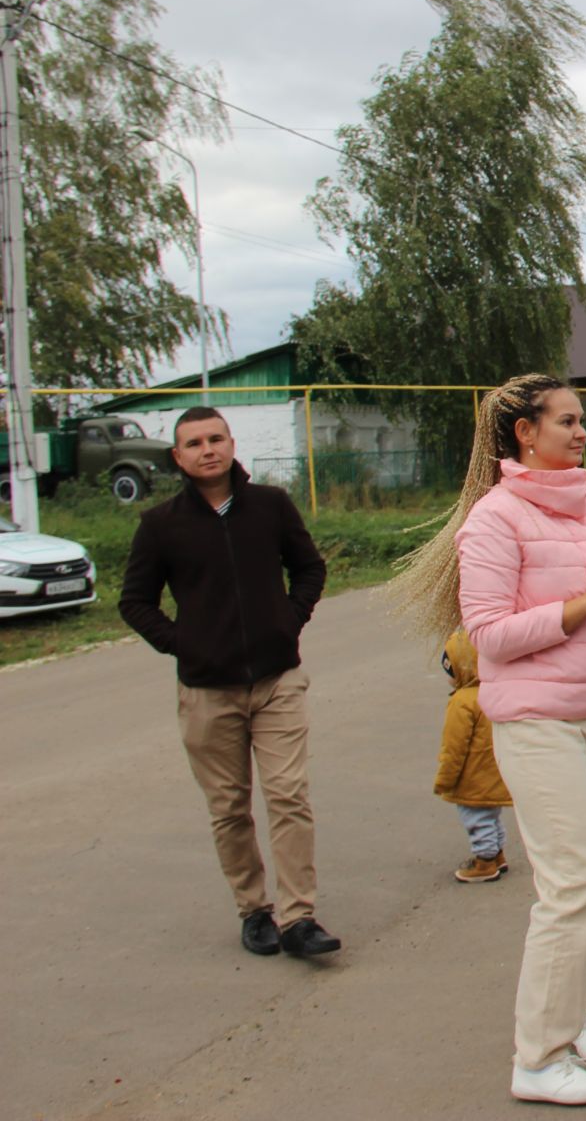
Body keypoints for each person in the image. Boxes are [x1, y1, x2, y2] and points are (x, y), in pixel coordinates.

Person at [388, 372, 586, 1107]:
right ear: (524, 433)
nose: (580, 431)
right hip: (536, 720)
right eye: (565, 420)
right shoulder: (494, 520)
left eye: (581, 419)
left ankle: (581, 1012)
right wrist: (580, 604)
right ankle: (539, 1058)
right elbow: (491, 637)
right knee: (575, 885)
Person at [118, 406, 339, 960]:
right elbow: (135, 602)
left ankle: (299, 917)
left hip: (276, 682)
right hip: (206, 691)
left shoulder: (270, 506)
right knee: (230, 808)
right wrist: (182, 643)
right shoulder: (160, 525)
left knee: (288, 796)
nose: (207, 449)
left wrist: (288, 621)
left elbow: (309, 568)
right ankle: (254, 909)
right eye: (193, 442)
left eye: (215, 438)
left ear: (231, 443)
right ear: (178, 456)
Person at [433, 628, 512, 885]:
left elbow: (453, 746)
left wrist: (445, 779)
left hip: (472, 777)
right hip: (495, 773)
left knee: (476, 818)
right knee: (492, 816)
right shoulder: (495, 691)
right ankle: (498, 853)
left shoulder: (462, 701)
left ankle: (484, 860)